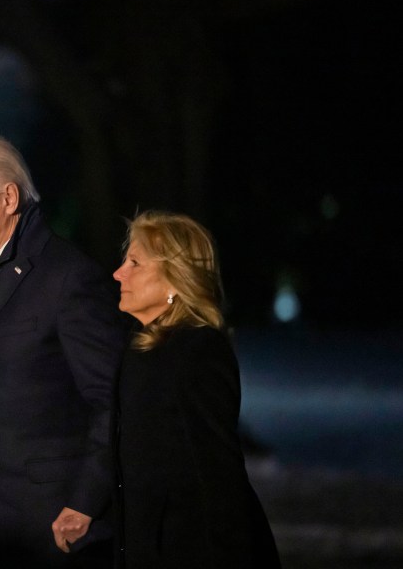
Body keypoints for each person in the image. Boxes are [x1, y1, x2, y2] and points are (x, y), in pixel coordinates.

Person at [0, 128, 128, 568]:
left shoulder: (67, 278)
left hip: (47, 533)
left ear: (9, 198)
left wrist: (86, 504)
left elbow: (111, 399)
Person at [110, 210, 281, 568]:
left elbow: (219, 475)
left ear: (175, 281)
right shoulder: (139, 347)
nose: (118, 273)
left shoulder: (198, 351)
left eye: (135, 263)